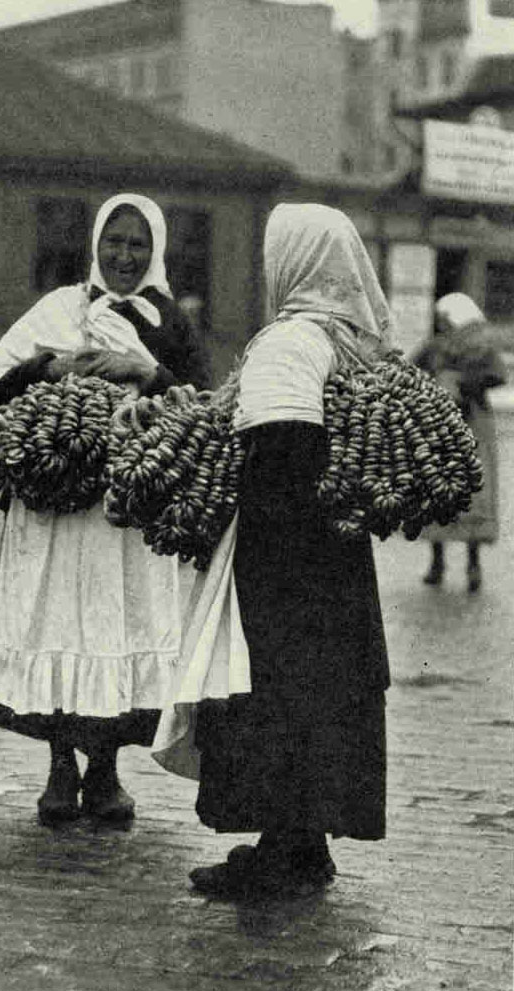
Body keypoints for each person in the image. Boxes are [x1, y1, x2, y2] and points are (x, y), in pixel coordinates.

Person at [0, 193, 210, 825]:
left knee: (117, 625)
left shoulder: (170, 323)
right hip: (58, 507)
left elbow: (203, 405)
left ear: (155, 251)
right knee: (61, 622)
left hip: (126, 509)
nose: (123, 255)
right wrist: (50, 365)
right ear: (95, 245)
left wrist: (145, 369)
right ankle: (59, 769)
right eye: (114, 241)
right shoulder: (60, 307)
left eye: (137, 245)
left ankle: (104, 771)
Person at [185, 203, 391, 898]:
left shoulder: (290, 341)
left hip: (284, 553)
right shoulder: (347, 336)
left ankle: (280, 847)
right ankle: (305, 840)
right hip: (333, 555)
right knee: (322, 693)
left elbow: (281, 445)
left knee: (274, 692)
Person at [414, 293, 506, 593]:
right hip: (442, 423)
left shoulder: (480, 346)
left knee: (470, 491)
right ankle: (438, 563)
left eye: (444, 317)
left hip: (472, 424)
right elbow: (411, 368)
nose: (441, 322)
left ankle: (472, 563)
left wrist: (462, 382)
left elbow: (497, 376)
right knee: (439, 489)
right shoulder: (436, 345)